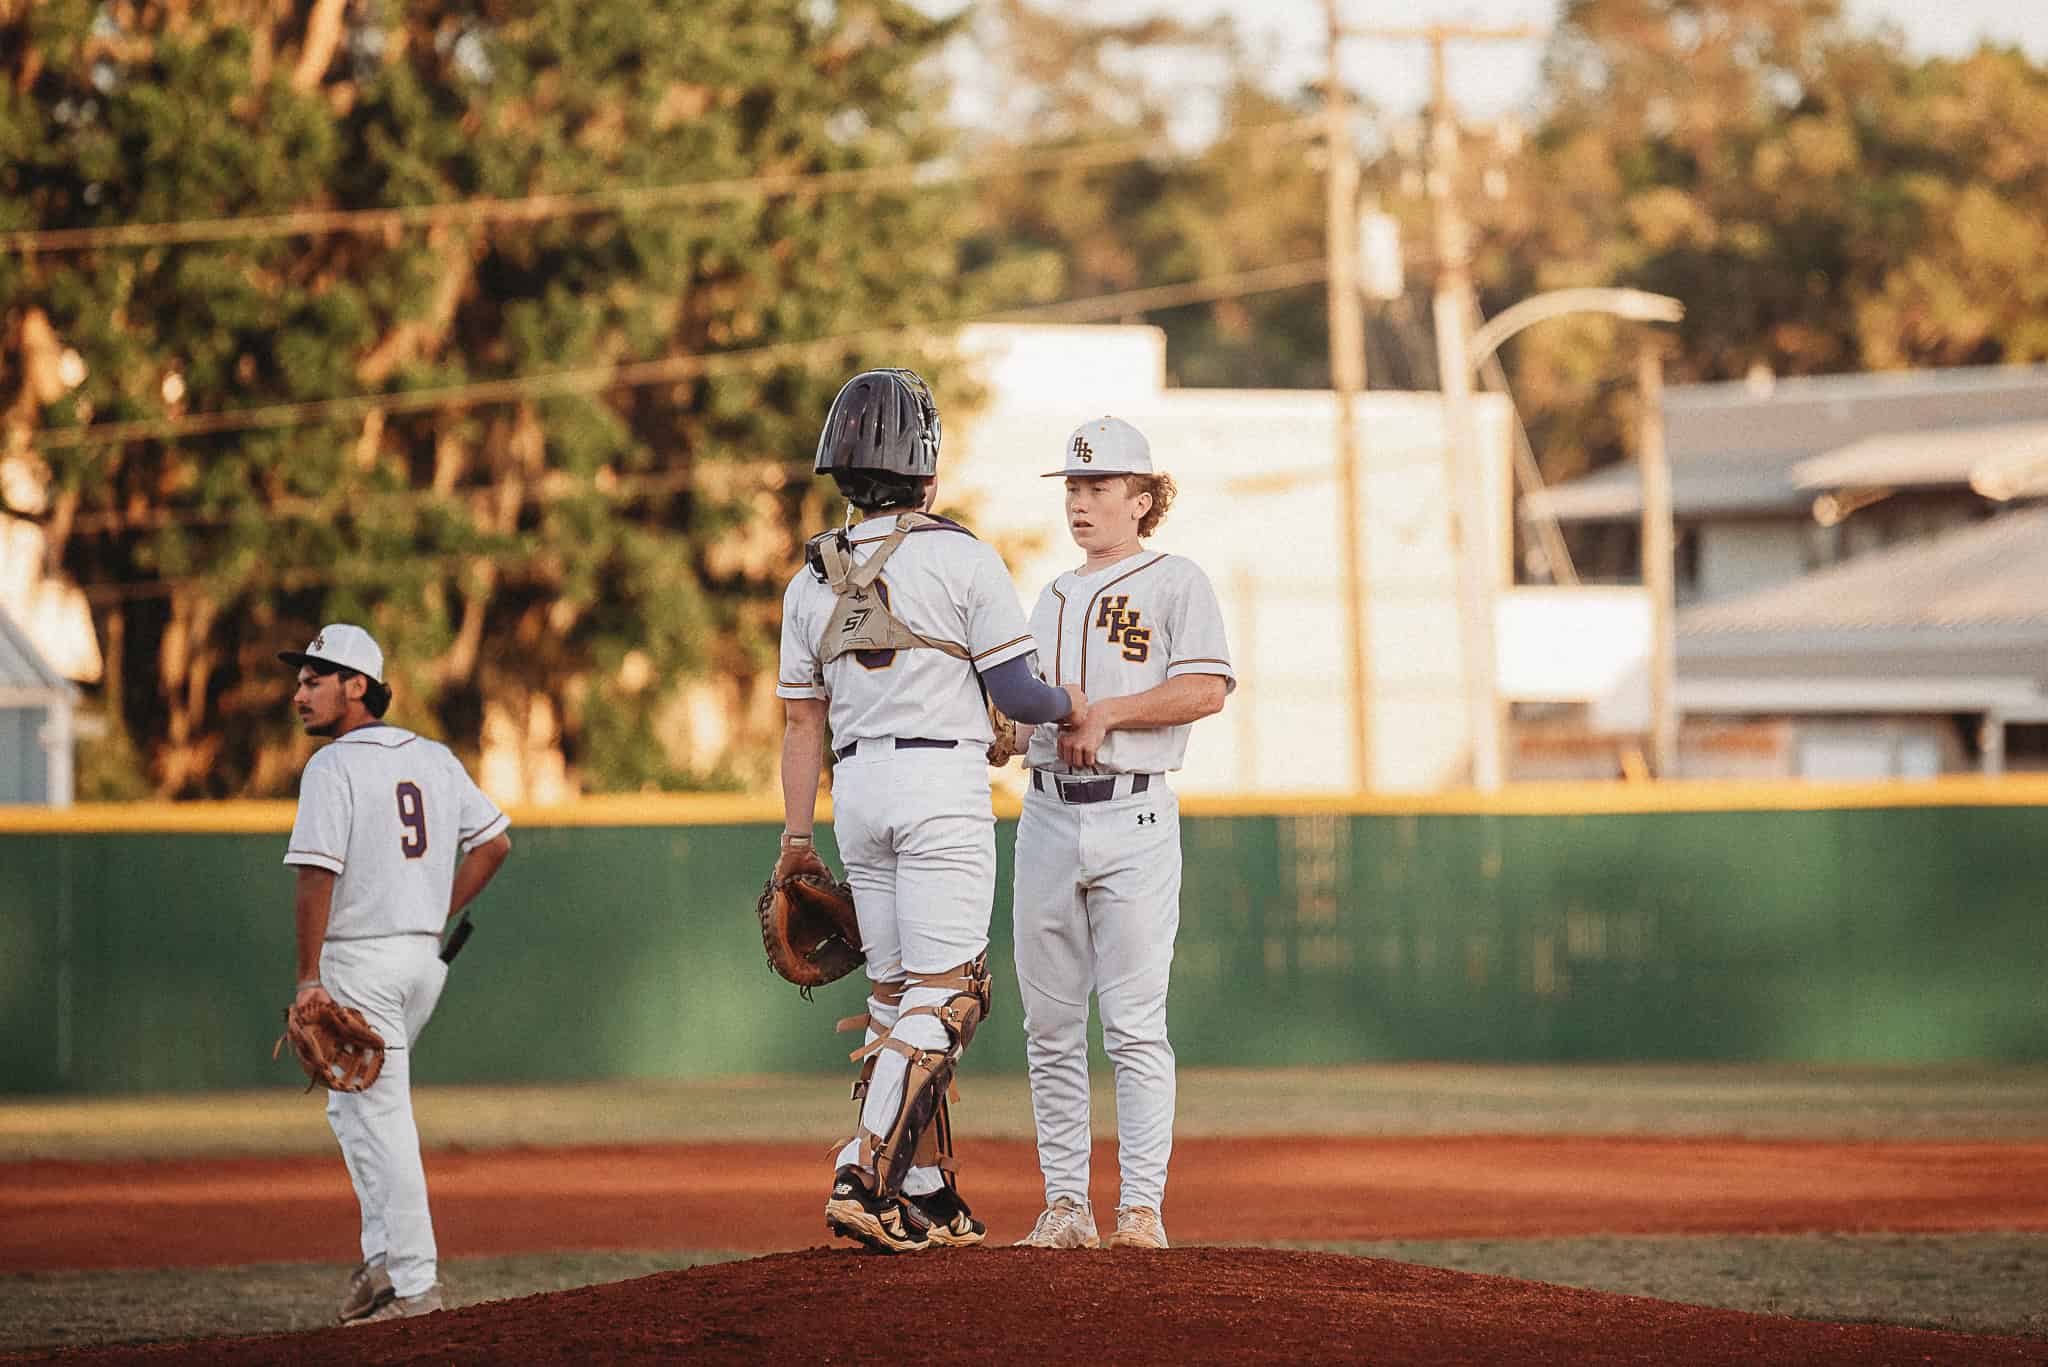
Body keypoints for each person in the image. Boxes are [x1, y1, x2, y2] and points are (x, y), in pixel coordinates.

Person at [775, 368, 1080, 1254]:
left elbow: (802, 722)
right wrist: (1071, 704)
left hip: (856, 793)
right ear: (927, 468)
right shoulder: (960, 556)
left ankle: (925, 1188)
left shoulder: (809, 581)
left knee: (898, 998)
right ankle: (863, 1171)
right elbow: (1017, 689)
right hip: (939, 788)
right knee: (951, 997)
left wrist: (798, 838)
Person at [1010, 416, 1232, 1251]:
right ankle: (1066, 1204)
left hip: (1134, 812)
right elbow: (1032, 713)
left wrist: (1109, 712)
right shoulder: (1050, 595)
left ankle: (1141, 1207)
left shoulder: (1177, 581)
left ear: (1143, 498)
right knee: (1050, 1024)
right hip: (1045, 812)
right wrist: (1004, 729)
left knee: (1135, 1023)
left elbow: (1207, 688)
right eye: (1072, 486)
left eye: (1099, 486)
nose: (1080, 500)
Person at [280, 623, 512, 1321]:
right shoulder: (435, 757)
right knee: (350, 1107)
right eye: (299, 680)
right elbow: (495, 843)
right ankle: (382, 1263)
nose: (299, 692)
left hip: (360, 960)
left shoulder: (333, 766)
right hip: (421, 959)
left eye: (314, 678)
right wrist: (435, 909)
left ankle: (416, 1286)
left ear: (358, 685)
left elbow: (317, 876)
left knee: (380, 1117)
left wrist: (307, 977)